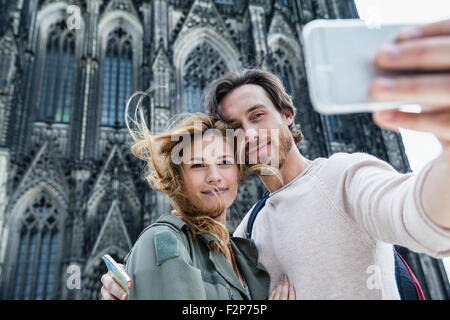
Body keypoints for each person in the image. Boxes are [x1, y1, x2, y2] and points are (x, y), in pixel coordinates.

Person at [102, 19, 450, 299]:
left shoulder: (344, 177)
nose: (250, 134)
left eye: (257, 116)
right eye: (235, 127)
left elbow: (415, 214)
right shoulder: (244, 236)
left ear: (286, 114)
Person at [110, 110, 295, 300]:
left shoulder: (245, 255)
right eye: (198, 165)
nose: (214, 176)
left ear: (238, 172)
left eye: (224, 162)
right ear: (178, 178)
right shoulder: (163, 240)